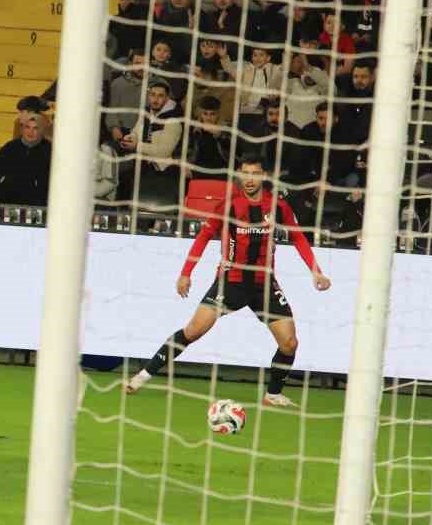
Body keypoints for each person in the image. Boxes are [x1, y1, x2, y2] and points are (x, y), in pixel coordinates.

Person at [127, 154, 331, 407]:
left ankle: (273, 394)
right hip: (231, 280)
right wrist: (186, 272)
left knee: (289, 343)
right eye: (245, 173)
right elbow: (203, 236)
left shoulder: (278, 206)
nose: (249, 179)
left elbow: (299, 237)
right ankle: (142, 376)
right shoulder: (228, 206)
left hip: (263, 283)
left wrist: (315, 270)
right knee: (193, 331)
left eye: (255, 173)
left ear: (263, 176)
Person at [0, 114, 52, 206]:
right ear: (22, 129)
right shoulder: (11, 146)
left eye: (35, 128)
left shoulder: (48, 149)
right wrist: (1, 180)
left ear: (41, 130)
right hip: (9, 189)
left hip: (34, 192)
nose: (30, 132)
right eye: (27, 127)